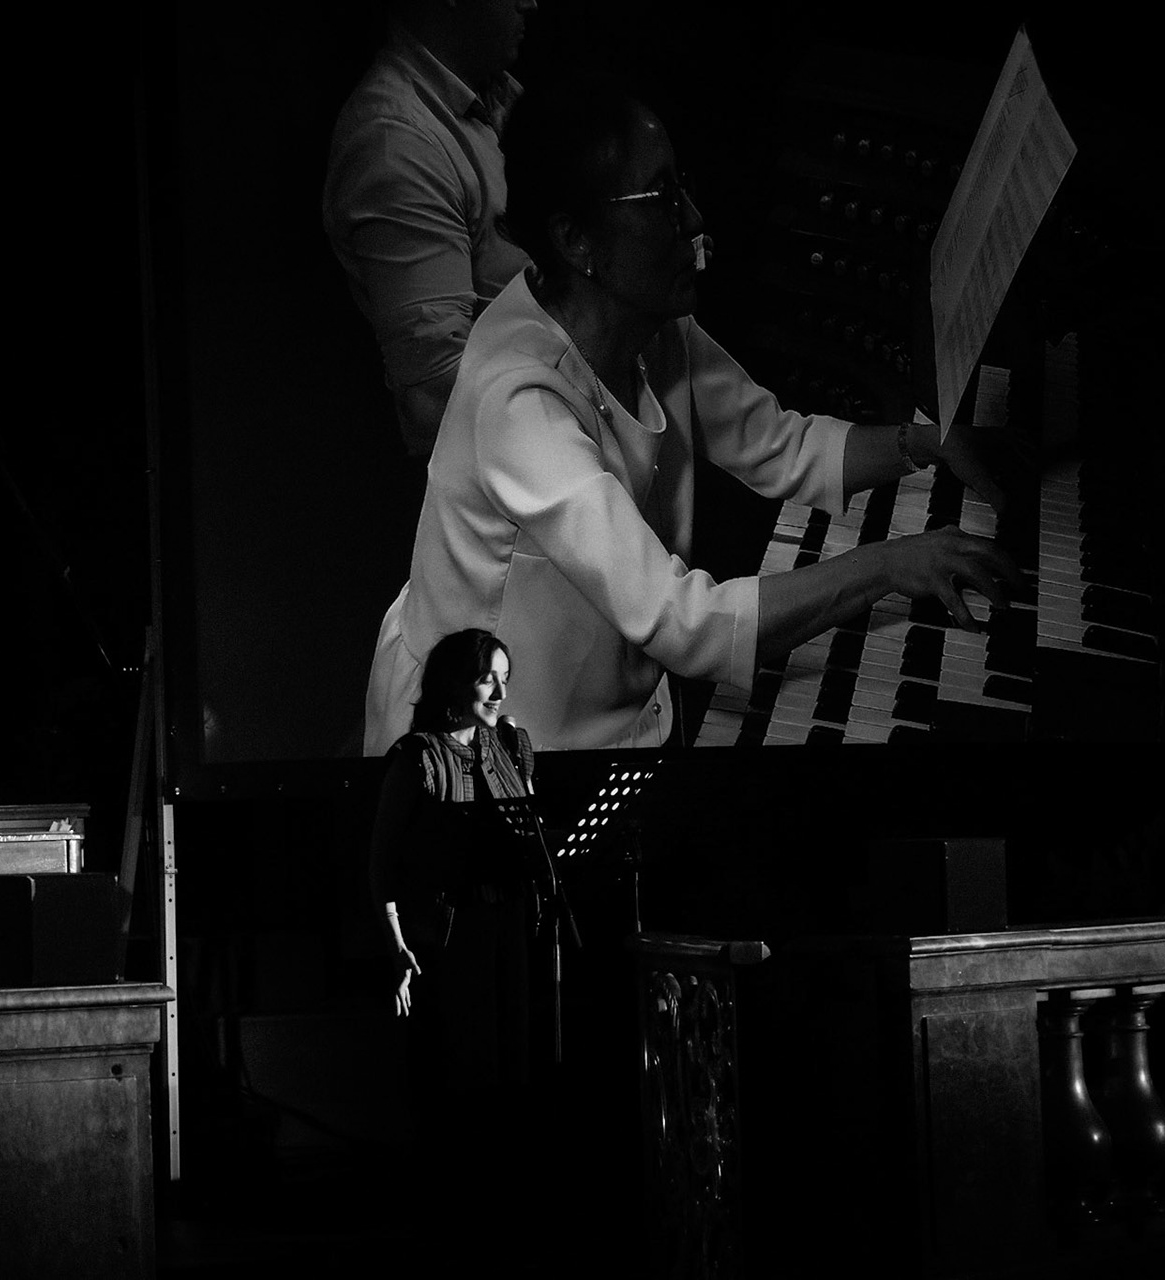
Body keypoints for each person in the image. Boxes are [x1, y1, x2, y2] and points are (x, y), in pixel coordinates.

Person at [364, 72, 1024, 754]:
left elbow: (779, 445)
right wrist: (889, 566)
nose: (694, 221)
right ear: (576, 240)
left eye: (683, 186)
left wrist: (926, 442)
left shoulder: (646, 322)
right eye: (660, 199)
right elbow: (686, 624)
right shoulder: (518, 405)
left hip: (604, 696)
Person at [367, 627, 553, 1267]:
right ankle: (454, 1224)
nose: (501, 690)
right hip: (448, 937)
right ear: (455, 683)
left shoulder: (513, 749)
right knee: (459, 1071)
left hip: (509, 928)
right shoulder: (417, 757)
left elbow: (530, 838)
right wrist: (398, 949)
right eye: (486, 678)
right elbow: (383, 863)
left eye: (505, 675)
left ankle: (507, 1213)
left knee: (511, 1068)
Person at [322, 0, 540, 457]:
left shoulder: (499, 95)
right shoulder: (396, 141)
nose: (531, 3)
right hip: (516, 486)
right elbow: (435, 398)